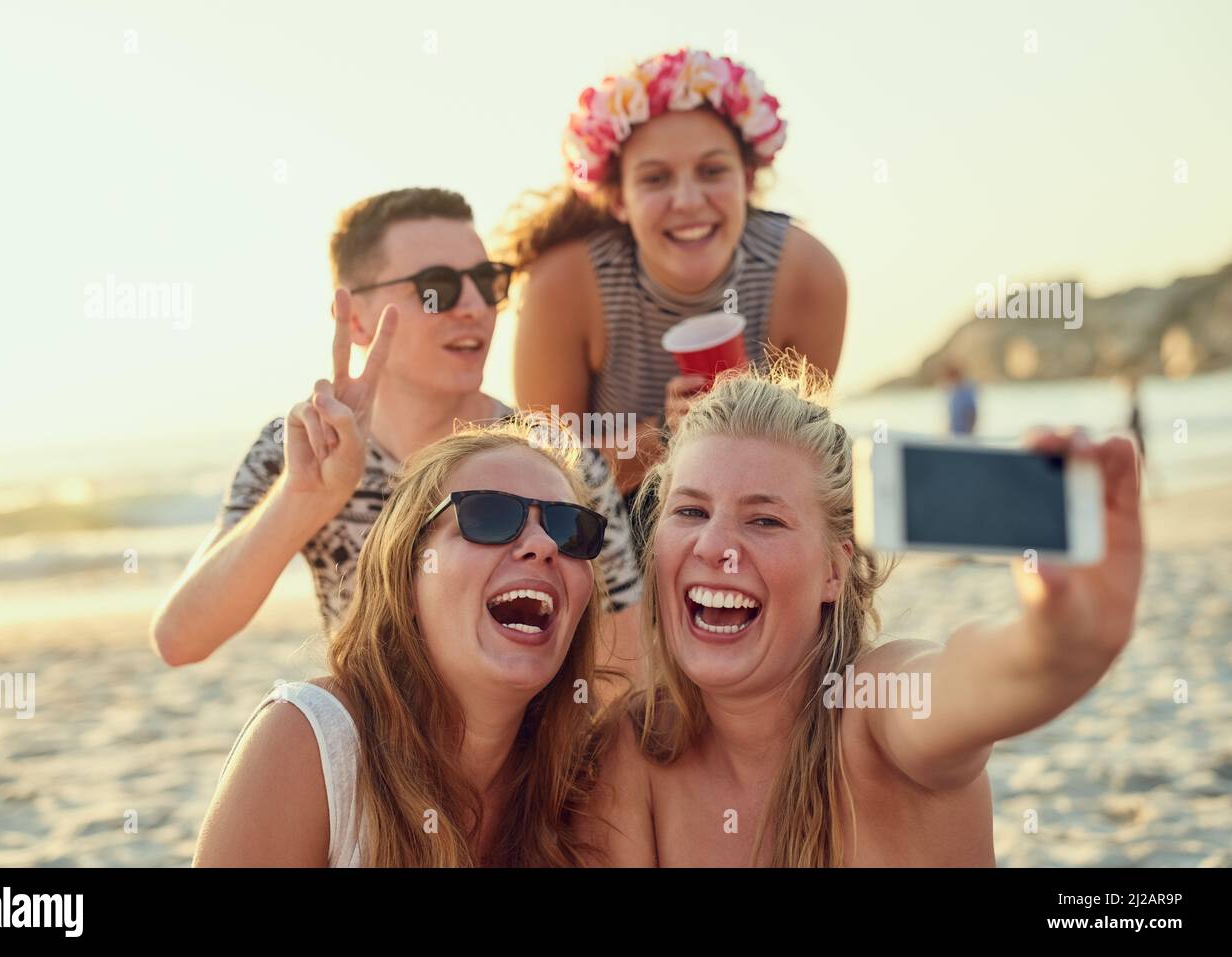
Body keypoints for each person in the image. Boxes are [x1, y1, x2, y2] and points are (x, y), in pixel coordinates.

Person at [588, 354, 1144, 866]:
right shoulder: (634, 752)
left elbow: (971, 683)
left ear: (835, 570)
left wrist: (1060, 643)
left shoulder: (871, 716)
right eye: (690, 510)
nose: (714, 546)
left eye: (765, 520)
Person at [151, 189, 642, 674]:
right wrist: (306, 497)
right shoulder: (301, 449)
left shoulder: (552, 456)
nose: (473, 306)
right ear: (356, 320)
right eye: (438, 288)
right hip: (373, 748)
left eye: (485, 281)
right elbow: (181, 640)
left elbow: (624, 668)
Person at [194, 422, 620, 866]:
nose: (543, 544)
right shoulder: (311, 744)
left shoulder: (591, 784)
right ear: (408, 578)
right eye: (489, 517)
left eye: (570, 528)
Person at [499, 48, 848, 508]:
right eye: (655, 178)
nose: (687, 200)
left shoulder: (806, 275)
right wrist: (664, 437)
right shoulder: (565, 285)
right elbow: (547, 477)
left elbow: (808, 461)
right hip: (604, 527)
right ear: (618, 199)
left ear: (746, 179)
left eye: (711, 171)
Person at [942, 359, 978, 437]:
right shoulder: (954, 391)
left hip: (964, 437)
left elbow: (972, 413)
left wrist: (968, 434)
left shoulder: (966, 390)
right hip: (955, 436)